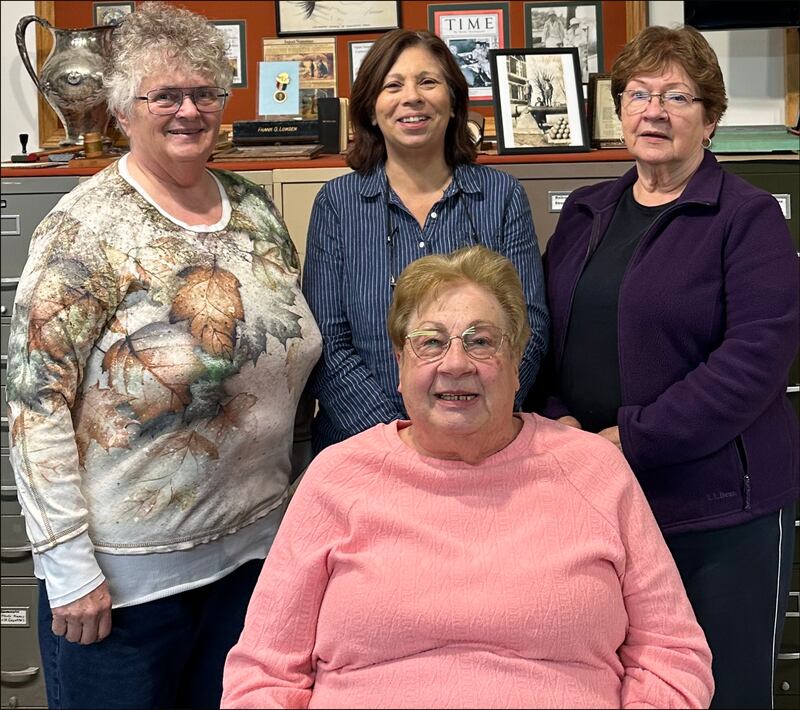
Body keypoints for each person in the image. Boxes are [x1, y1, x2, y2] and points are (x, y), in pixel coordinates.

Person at [221, 246, 714, 709]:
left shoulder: (594, 470)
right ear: (400, 361)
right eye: (430, 342)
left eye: (481, 342)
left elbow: (671, 654)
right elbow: (263, 674)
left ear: (517, 361)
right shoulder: (337, 478)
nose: (455, 364)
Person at [6, 3, 321, 708]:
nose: (188, 110)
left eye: (204, 93)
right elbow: (36, 406)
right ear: (123, 110)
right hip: (126, 587)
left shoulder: (255, 209)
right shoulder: (85, 228)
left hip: (253, 560)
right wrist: (67, 568)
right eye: (165, 95)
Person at [526, 25, 799, 709]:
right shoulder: (587, 211)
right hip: (598, 499)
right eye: (640, 93)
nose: (655, 110)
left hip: (716, 512)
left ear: (710, 121)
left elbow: (753, 363)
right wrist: (561, 430)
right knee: (619, 686)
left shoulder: (747, 216)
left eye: (678, 96)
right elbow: (547, 340)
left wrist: (629, 438)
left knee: (722, 690)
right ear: (620, 110)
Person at [302, 29, 549, 453]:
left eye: (428, 82)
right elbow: (328, 339)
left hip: (483, 441)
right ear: (371, 109)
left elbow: (530, 326)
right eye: (392, 85)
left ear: (453, 102)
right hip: (362, 445)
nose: (411, 97)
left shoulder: (501, 196)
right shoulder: (337, 203)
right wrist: (400, 438)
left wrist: (474, 418)